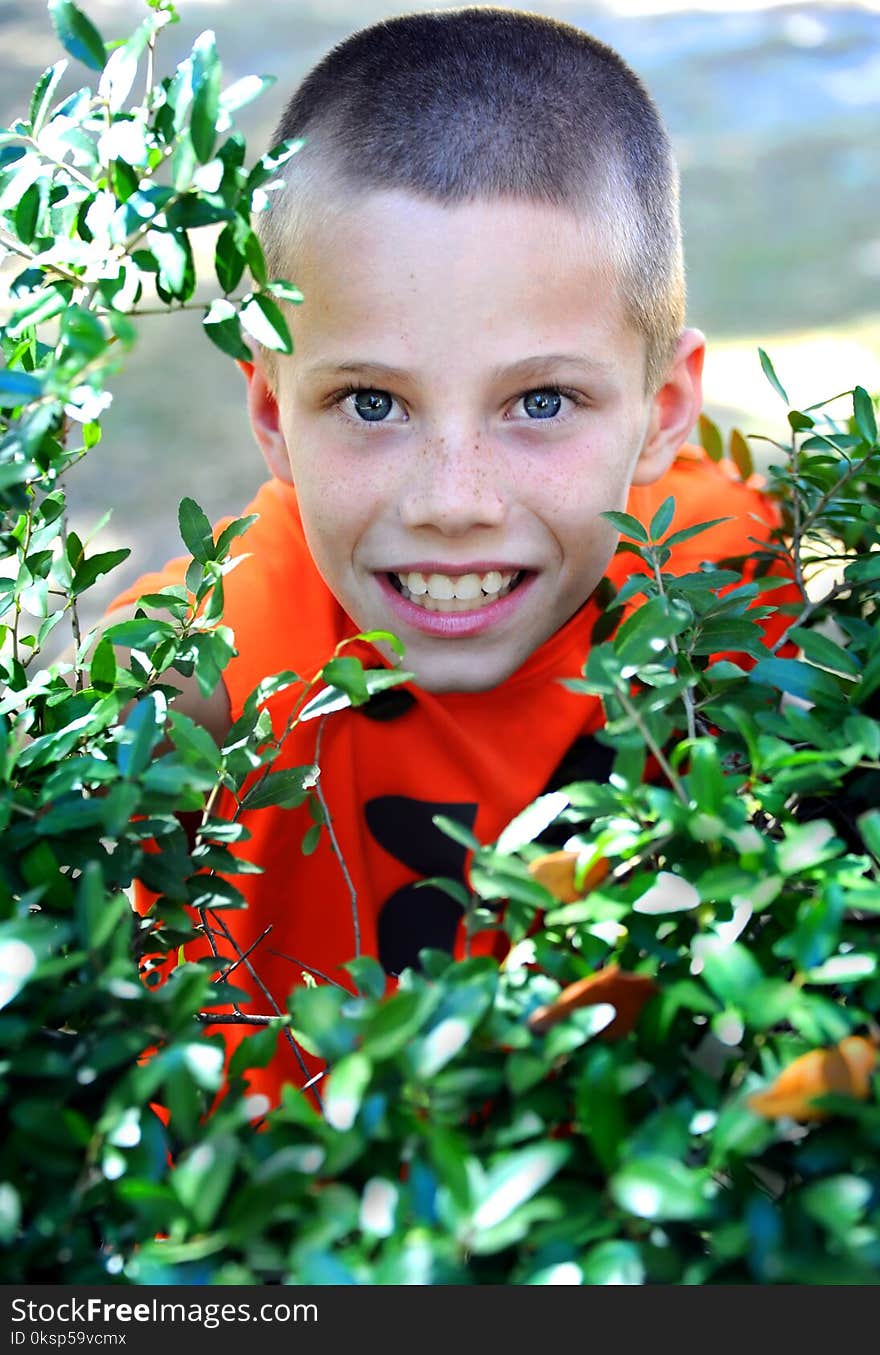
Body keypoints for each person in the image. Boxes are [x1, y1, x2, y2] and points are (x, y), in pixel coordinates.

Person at [109, 7, 790, 1105]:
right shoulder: (205, 662)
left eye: (540, 400)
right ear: (272, 410)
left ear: (662, 410)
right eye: (371, 402)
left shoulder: (738, 586)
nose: (452, 503)